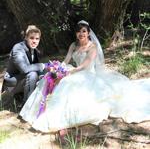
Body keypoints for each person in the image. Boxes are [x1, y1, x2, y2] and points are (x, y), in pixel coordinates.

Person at [19, 20, 150, 133]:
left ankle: (61, 115)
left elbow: (85, 64)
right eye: (78, 32)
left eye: (84, 31)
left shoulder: (92, 46)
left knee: (68, 84)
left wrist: (69, 72)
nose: (81, 34)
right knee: (51, 78)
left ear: (88, 33)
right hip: (75, 70)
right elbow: (66, 60)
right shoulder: (73, 45)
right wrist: (59, 68)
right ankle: (39, 110)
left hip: (87, 74)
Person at [1, 25, 45, 106]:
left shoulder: (35, 50)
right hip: (12, 83)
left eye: (37, 39)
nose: (34, 41)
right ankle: (26, 106)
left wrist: (42, 75)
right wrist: (42, 65)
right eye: (32, 38)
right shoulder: (18, 48)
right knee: (33, 74)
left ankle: (28, 98)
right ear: (26, 38)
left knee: (44, 74)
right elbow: (24, 69)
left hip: (22, 78)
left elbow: (35, 67)